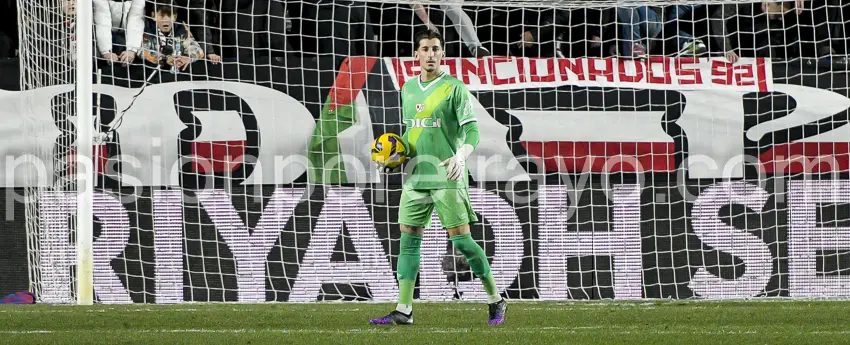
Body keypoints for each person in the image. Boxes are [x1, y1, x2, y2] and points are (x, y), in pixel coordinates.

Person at [369, 30, 506, 327]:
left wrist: (461, 155)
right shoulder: (407, 89)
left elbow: (472, 131)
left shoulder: (455, 88)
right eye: (424, 49)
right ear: (416, 54)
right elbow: (411, 132)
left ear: (442, 54)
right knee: (408, 237)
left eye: (435, 49)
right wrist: (395, 154)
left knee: (463, 241)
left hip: (448, 175)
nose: (430, 54)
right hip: (416, 176)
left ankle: (496, 299)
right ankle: (403, 309)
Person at [411, 2, 490, 57]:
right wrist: (428, 23)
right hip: (432, 11)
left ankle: (475, 47)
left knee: (449, 4)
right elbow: (414, 2)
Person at [141, 5, 204, 71]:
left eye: (169, 16)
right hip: (154, 71)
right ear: (153, 16)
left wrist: (188, 57)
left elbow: (199, 51)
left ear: (174, 17)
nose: (166, 20)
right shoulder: (148, 30)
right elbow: (142, 52)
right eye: (161, 16)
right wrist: (164, 59)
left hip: (178, 71)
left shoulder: (181, 30)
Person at [93, 0, 145, 65]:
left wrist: (132, 50)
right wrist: (106, 51)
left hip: (125, 33)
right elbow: (102, 20)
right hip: (100, 34)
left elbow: (135, 19)